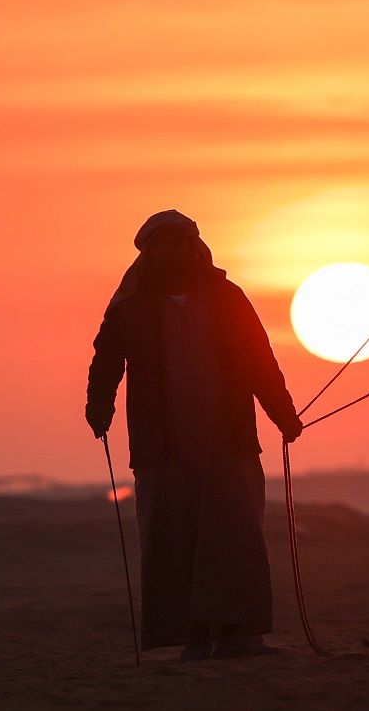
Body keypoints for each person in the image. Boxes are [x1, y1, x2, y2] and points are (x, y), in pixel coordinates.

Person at [86, 209, 304, 661]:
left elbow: (259, 360)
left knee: (236, 534)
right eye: (159, 245)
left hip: (228, 440)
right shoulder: (131, 307)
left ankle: (239, 634)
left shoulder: (227, 298)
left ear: (193, 247)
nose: (169, 252)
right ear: (148, 253)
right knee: (171, 536)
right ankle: (192, 637)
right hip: (161, 446)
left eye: (176, 243)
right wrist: (98, 407)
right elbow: (105, 361)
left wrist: (284, 414)